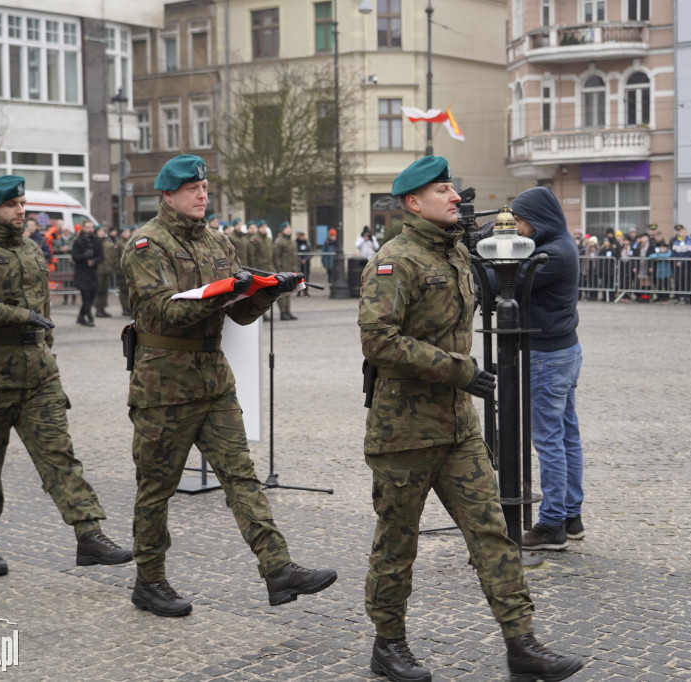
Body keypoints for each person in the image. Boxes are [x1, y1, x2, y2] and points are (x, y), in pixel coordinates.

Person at [358, 156, 585, 682]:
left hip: (458, 429)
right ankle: (388, 645)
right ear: (414, 203)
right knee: (397, 543)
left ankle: (522, 645)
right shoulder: (395, 261)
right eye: (444, 191)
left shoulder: (456, 253)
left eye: (454, 189)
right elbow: (379, 341)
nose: (456, 197)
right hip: (404, 432)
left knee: (493, 535)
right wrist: (459, 370)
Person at [120, 155, 336, 618]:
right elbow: (160, 313)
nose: (201, 195)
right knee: (156, 489)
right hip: (164, 385)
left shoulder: (218, 242)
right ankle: (149, 580)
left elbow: (238, 314)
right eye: (191, 189)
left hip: (213, 380)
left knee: (241, 476)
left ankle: (278, 569)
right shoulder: (145, 245)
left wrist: (265, 292)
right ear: (167, 195)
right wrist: (219, 292)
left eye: (204, 188)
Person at [0, 175, 132, 577]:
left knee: (59, 456)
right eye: (11, 205)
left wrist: (46, 347)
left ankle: (88, 533)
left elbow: (41, 309)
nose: (21, 211)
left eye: (22, 203)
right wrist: (14, 316)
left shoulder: (31, 249)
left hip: (38, 376)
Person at [512, 186, 586, 559]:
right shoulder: (559, 243)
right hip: (563, 350)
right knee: (567, 435)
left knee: (550, 440)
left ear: (538, 218)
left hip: (548, 356)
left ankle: (552, 523)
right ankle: (571, 516)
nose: (518, 227)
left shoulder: (550, 254)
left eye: (521, 220)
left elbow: (503, 284)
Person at [71, 219, 104, 326]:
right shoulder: (78, 241)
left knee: (92, 296)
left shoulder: (97, 241)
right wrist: (85, 256)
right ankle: (90, 318)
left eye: (91, 227)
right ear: (83, 228)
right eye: (88, 227)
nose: (90, 229)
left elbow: (101, 256)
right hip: (81, 273)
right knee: (85, 296)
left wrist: (94, 261)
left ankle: (81, 316)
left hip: (92, 273)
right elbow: (75, 257)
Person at [272, 221, 300, 320]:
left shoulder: (292, 241)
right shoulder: (279, 241)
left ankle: (288, 310)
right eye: (286, 229)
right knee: (282, 292)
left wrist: (296, 269)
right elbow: (276, 257)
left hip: (291, 270)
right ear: (282, 230)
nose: (289, 230)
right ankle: (282, 312)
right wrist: (279, 270)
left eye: (289, 228)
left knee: (289, 291)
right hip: (283, 270)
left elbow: (295, 257)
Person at [94, 226, 116, 318]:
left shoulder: (108, 241)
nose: (101, 232)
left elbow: (113, 251)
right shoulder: (94, 241)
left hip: (107, 269)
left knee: (105, 290)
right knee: (98, 290)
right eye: (99, 231)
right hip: (98, 269)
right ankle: (98, 309)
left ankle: (103, 309)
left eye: (103, 231)